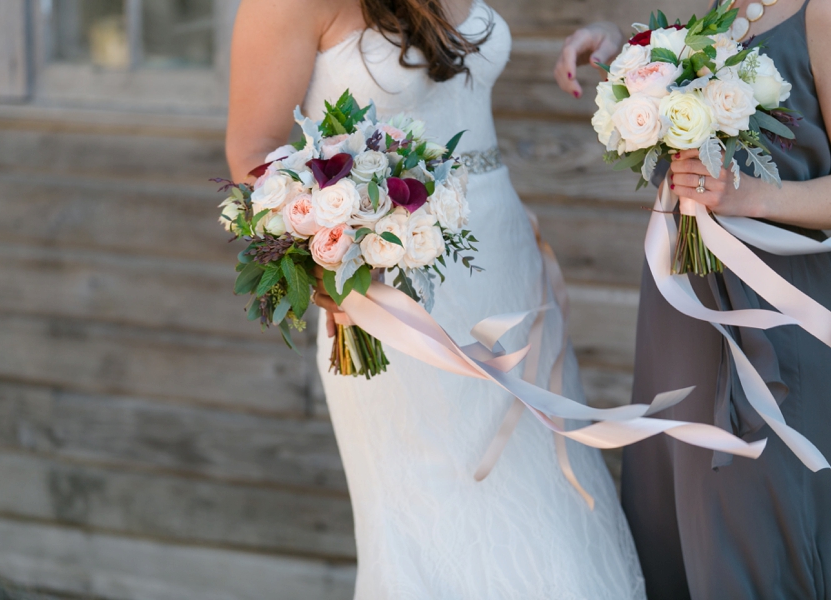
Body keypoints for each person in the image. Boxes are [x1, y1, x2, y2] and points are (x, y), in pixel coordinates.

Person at [227, 0, 646, 597]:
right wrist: (327, 256)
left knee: (545, 486)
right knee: (428, 505)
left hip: (503, 259)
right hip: (388, 283)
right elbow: (253, 156)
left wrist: (608, 36)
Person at [555, 1, 831, 598]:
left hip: (775, 320)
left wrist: (751, 195)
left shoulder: (821, 14)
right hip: (681, 313)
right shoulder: (716, 8)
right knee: (673, 515)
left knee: (752, 523)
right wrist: (618, 51)